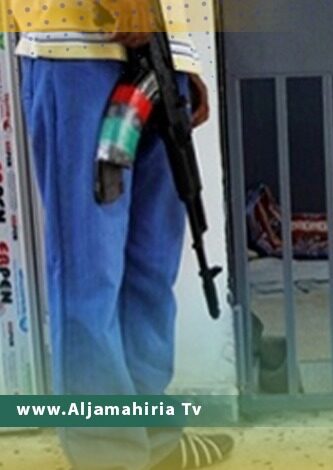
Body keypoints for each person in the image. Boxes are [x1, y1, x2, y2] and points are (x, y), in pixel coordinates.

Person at [6, 2, 233, 469]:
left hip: (160, 53)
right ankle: (107, 456)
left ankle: (153, 442)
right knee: (89, 277)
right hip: (74, 50)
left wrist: (183, 58)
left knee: (149, 271)